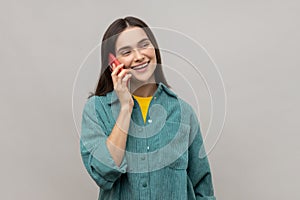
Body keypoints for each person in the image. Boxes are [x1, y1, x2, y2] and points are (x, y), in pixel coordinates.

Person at [80, 16, 216, 200]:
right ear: (113, 62)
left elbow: (202, 187)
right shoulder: (96, 110)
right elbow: (103, 172)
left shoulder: (183, 112)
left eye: (144, 45)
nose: (139, 56)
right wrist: (125, 108)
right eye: (126, 52)